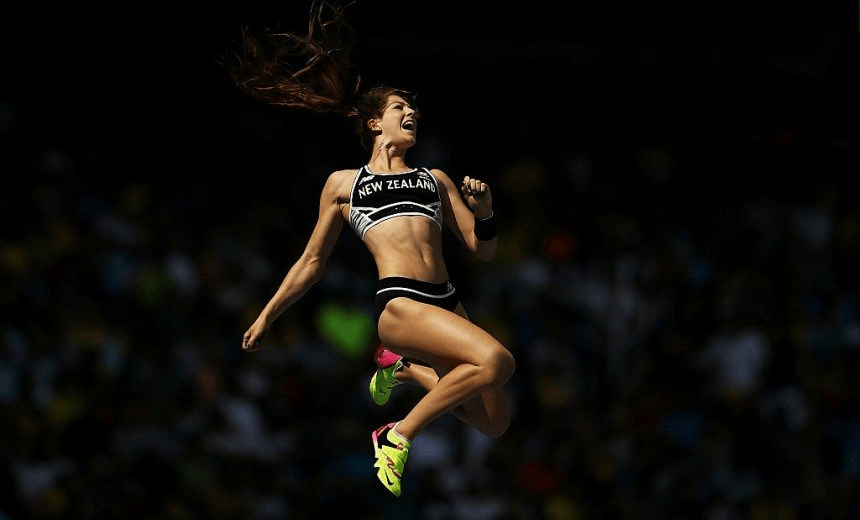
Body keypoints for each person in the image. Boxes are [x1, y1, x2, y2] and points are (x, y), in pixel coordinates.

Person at [224, 1, 515, 497]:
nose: (412, 113)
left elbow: (481, 251)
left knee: (494, 422)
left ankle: (401, 368)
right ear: (374, 123)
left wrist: (485, 212)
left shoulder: (435, 178)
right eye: (401, 107)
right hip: (401, 305)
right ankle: (396, 435)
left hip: (447, 301)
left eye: (413, 109)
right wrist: (268, 314)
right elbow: (312, 262)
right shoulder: (344, 184)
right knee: (496, 362)